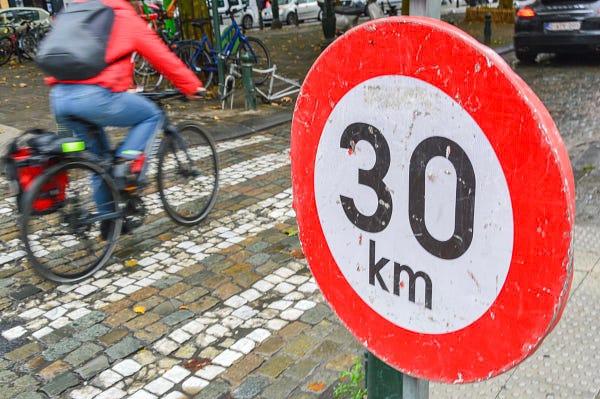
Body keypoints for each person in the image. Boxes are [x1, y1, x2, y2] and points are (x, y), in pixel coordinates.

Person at [45, 0, 204, 236]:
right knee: (151, 114)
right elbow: (161, 56)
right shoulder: (123, 14)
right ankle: (125, 165)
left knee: (98, 163)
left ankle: (110, 224)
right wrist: (191, 86)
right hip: (94, 97)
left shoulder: (77, 12)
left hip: (59, 97)